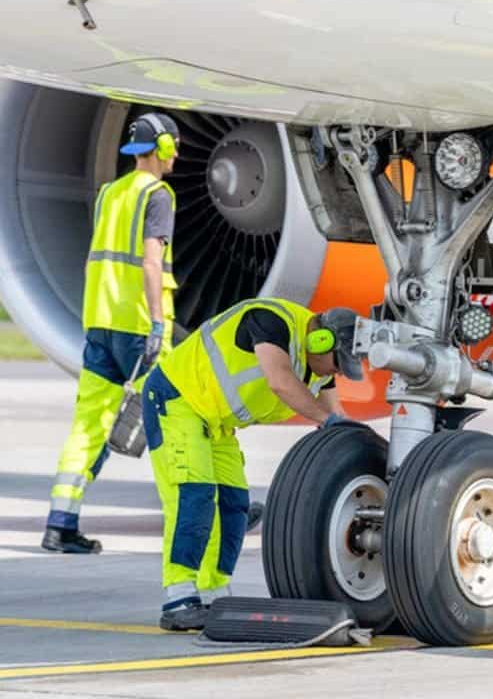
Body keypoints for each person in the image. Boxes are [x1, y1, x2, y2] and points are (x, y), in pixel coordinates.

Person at [141, 297, 361, 631]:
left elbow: (336, 418)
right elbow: (280, 380)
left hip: (218, 422)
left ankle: (214, 593)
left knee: (234, 506)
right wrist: (327, 421)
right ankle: (179, 597)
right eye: (338, 362)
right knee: (193, 498)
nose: (337, 372)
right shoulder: (272, 321)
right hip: (178, 400)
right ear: (321, 340)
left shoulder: (320, 368)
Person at [42, 113, 181, 553]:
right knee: (173, 419)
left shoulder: (110, 194)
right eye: (173, 145)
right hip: (140, 326)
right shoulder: (157, 195)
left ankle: (60, 524)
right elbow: (151, 262)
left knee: (89, 425)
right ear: (159, 148)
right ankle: (203, 510)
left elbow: (95, 257)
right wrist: (158, 323)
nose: (177, 153)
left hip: (100, 323)